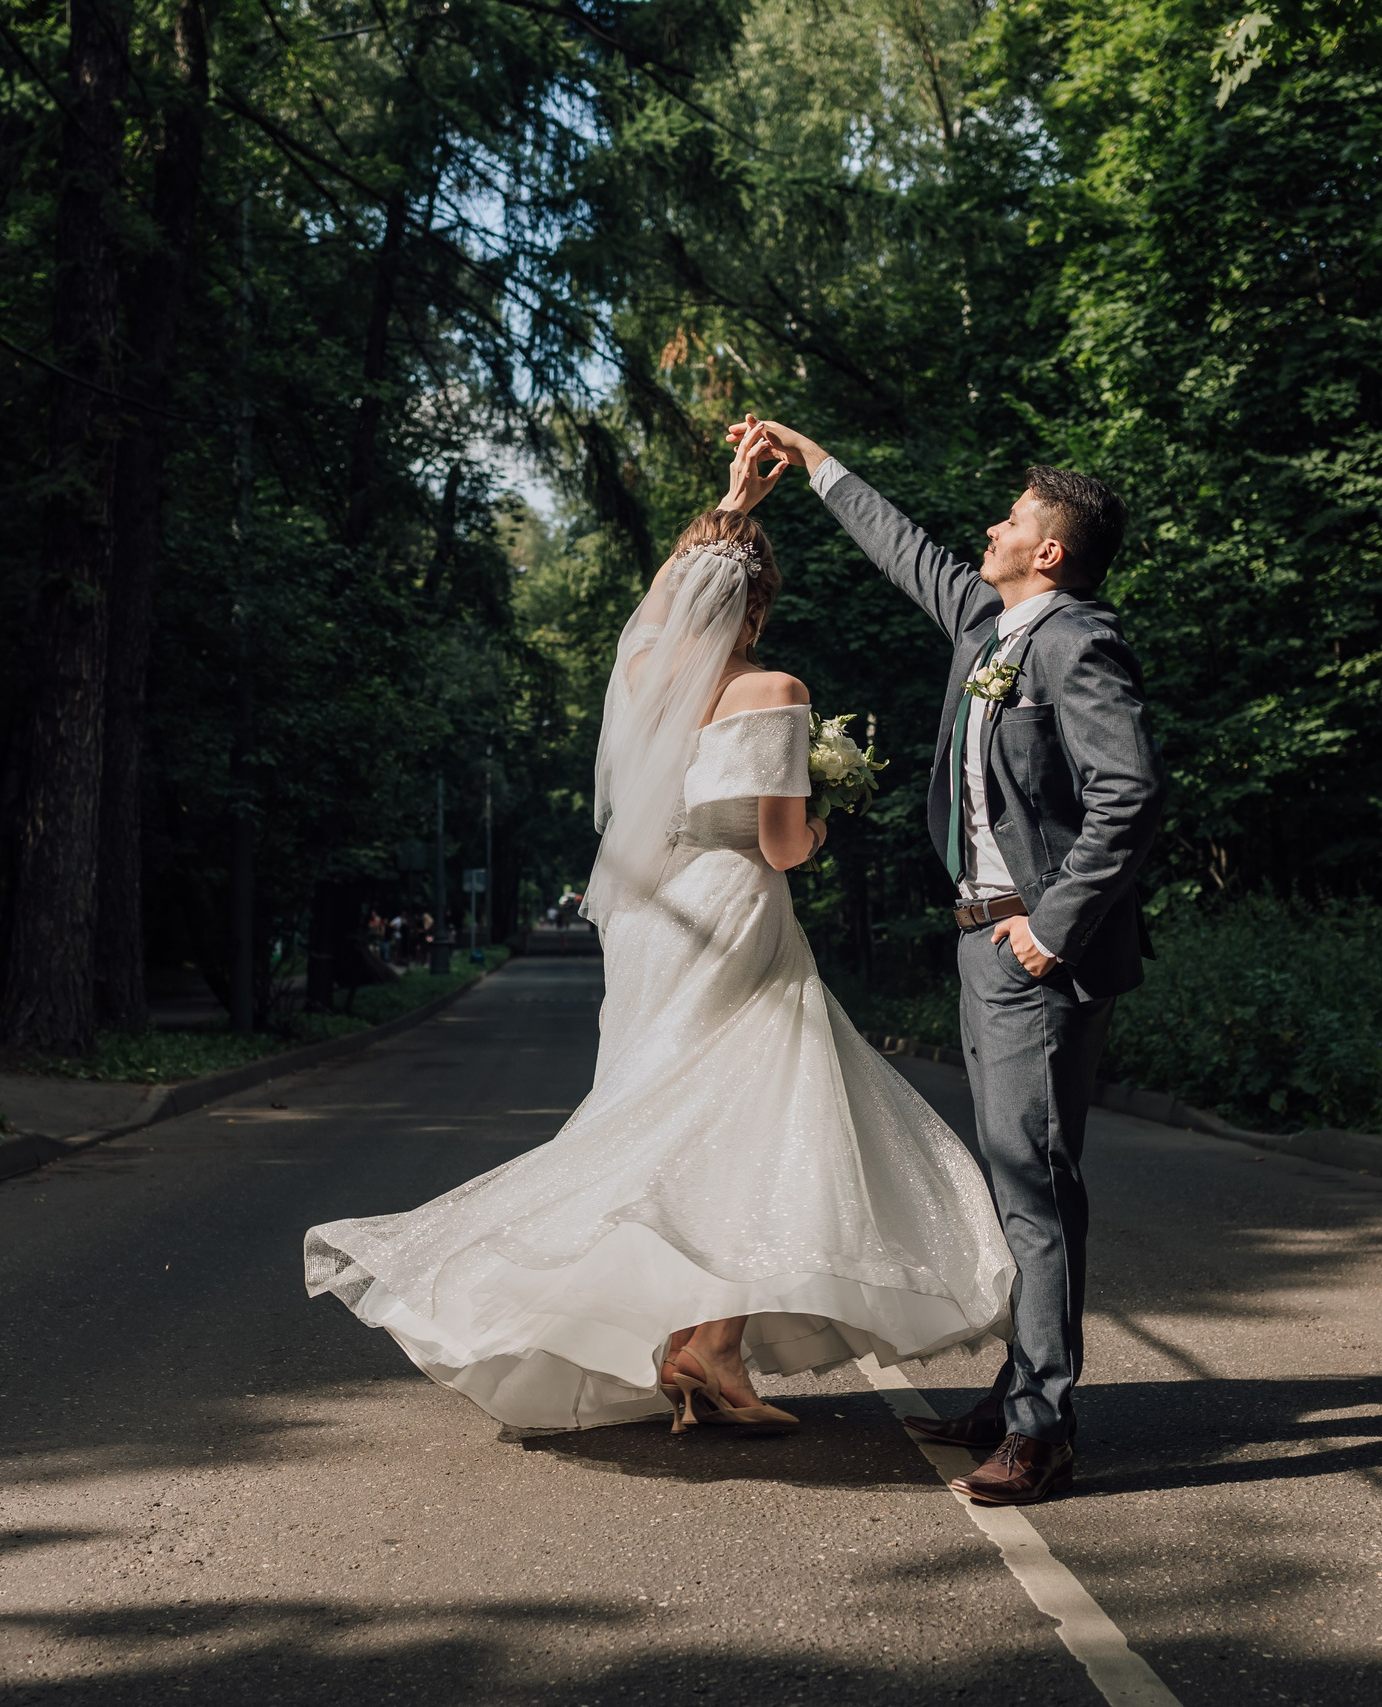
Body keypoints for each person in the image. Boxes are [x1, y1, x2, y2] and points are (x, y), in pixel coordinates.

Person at [305, 428, 1013, 1436]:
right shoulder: (775, 692)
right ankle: (707, 1348)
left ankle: (705, 1348)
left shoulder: (644, 676)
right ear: (759, 603)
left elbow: (658, 609)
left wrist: (731, 506)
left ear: (686, 590)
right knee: (757, 1115)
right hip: (733, 912)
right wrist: (822, 812)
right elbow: (778, 847)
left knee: (668, 1107)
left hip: (649, 918)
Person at [719, 414, 1165, 1506]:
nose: (989, 528)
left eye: (1011, 520)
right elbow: (904, 545)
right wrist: (816, 459)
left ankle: (1040, 1428)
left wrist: (1053, 928)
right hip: (982, 943)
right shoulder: (986, 622)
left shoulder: (1075, 642)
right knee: (1019, 1180)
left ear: (1049, 552)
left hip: (1035, 951)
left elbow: (1130, 793)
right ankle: (1021, 1389)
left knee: (1033, 1186)